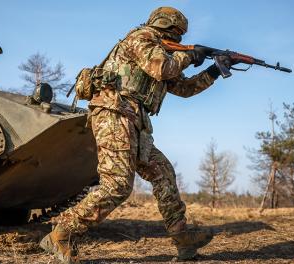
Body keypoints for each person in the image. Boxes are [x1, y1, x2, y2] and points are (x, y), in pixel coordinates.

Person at [39, 6, 238, 263]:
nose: (179, 40)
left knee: (163, 171)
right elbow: (162, 69)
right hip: (114, 112)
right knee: (118, 185)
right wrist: (191, 56)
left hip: (133, 119)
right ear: (165, 27)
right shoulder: (142, 38)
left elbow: (184, 88)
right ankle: (62, 233)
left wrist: (213, 71)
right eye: (177, 34)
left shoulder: (162, 52)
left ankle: (182, 239)